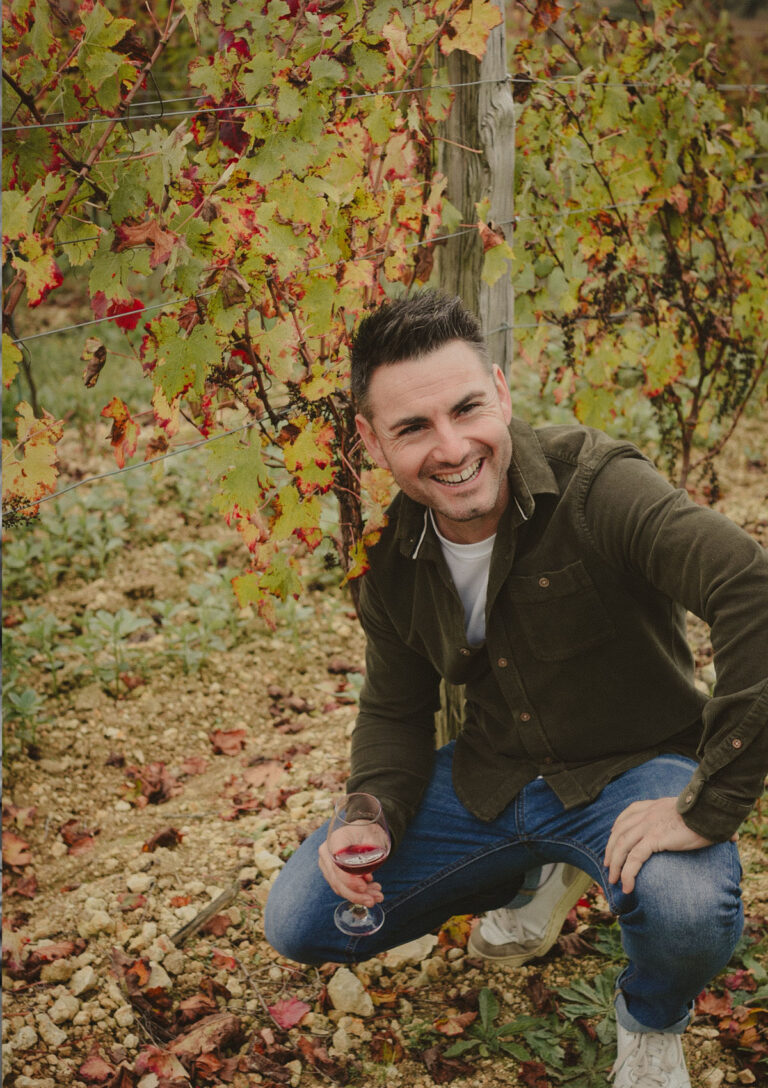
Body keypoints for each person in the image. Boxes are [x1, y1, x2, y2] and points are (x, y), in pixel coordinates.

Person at [265, 291, 768, 1088]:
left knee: (683, 911)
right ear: (369, 439)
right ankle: (537, 870)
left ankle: (649, 1017)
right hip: (496, 780)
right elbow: (395, 711)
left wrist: (709, 801)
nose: (453, 446)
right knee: (298, 919)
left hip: (634, 771)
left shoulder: (599, 486)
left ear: (500, 391)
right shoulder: (391, 560)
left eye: (467, 407)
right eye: (413, 427)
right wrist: (370, 811)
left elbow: (750, 585)